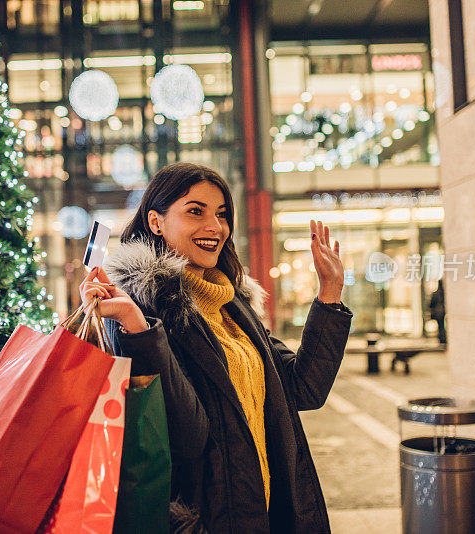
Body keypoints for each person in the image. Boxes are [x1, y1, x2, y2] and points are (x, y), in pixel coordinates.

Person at [79, 162, 353, 533]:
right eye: (196, 211)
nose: (215, 227)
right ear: (156, 221)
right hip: (205, 518)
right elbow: (185, 439)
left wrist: (330, 296)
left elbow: (304, 388)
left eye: (222, 214)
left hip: (269, 510)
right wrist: (139, 329)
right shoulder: (142, 310)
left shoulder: (232, 303)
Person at [429, 279, 447, 344]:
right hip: (443, 312)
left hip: (438, 313)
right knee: (442, 326)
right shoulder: (444, 294)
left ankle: (441, 338)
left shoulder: (435, 293)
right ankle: (443, 338)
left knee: (440, 326)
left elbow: (431, 304)